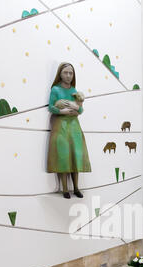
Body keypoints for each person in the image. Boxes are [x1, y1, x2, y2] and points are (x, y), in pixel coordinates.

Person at [47, 62, 92, 199]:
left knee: (75, 157)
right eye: (65, 72)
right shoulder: (55, 90)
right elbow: (51, 107)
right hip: (61, 127)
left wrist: (77, 108)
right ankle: (65, 189)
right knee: (63, 157)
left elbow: (81, 109)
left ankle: (76, 188)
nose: (68, 75)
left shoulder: (74, 91)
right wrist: (62, 111)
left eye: (70, 73)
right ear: (60, 73)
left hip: (74, 127)